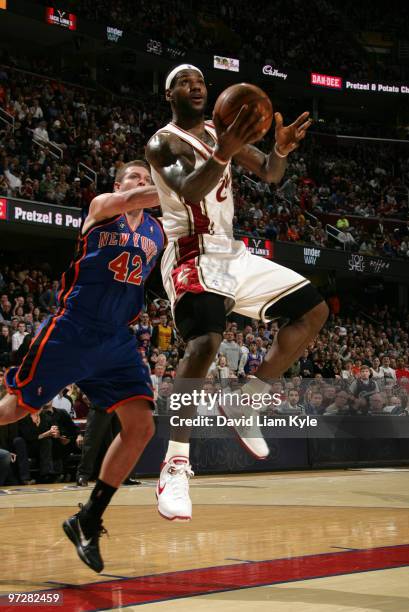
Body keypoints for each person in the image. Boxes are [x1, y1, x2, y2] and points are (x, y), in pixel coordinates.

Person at [146, 64, 328, 521]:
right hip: (191, 253)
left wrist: (280, 150)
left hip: (231, 252)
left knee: (313, 310)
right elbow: (189, 190)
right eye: (185, 82)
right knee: (205, 341)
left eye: (201, 82)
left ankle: (246, 401)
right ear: (169, 94)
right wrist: (223, 152)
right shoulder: (162, 142)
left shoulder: (218, 131)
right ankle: (175, 463)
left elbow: (269, 172)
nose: (196, 86)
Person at [0, 160, 164, 572]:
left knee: (142, 426)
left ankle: (88, 519)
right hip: (73, 327)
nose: (142, 183)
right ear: (118, 184)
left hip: (117, 339)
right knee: (15, 408)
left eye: (147, 178)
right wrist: (179, 184)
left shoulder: (156, 232)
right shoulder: (102, 205)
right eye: (135, 178)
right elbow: (132, 200)